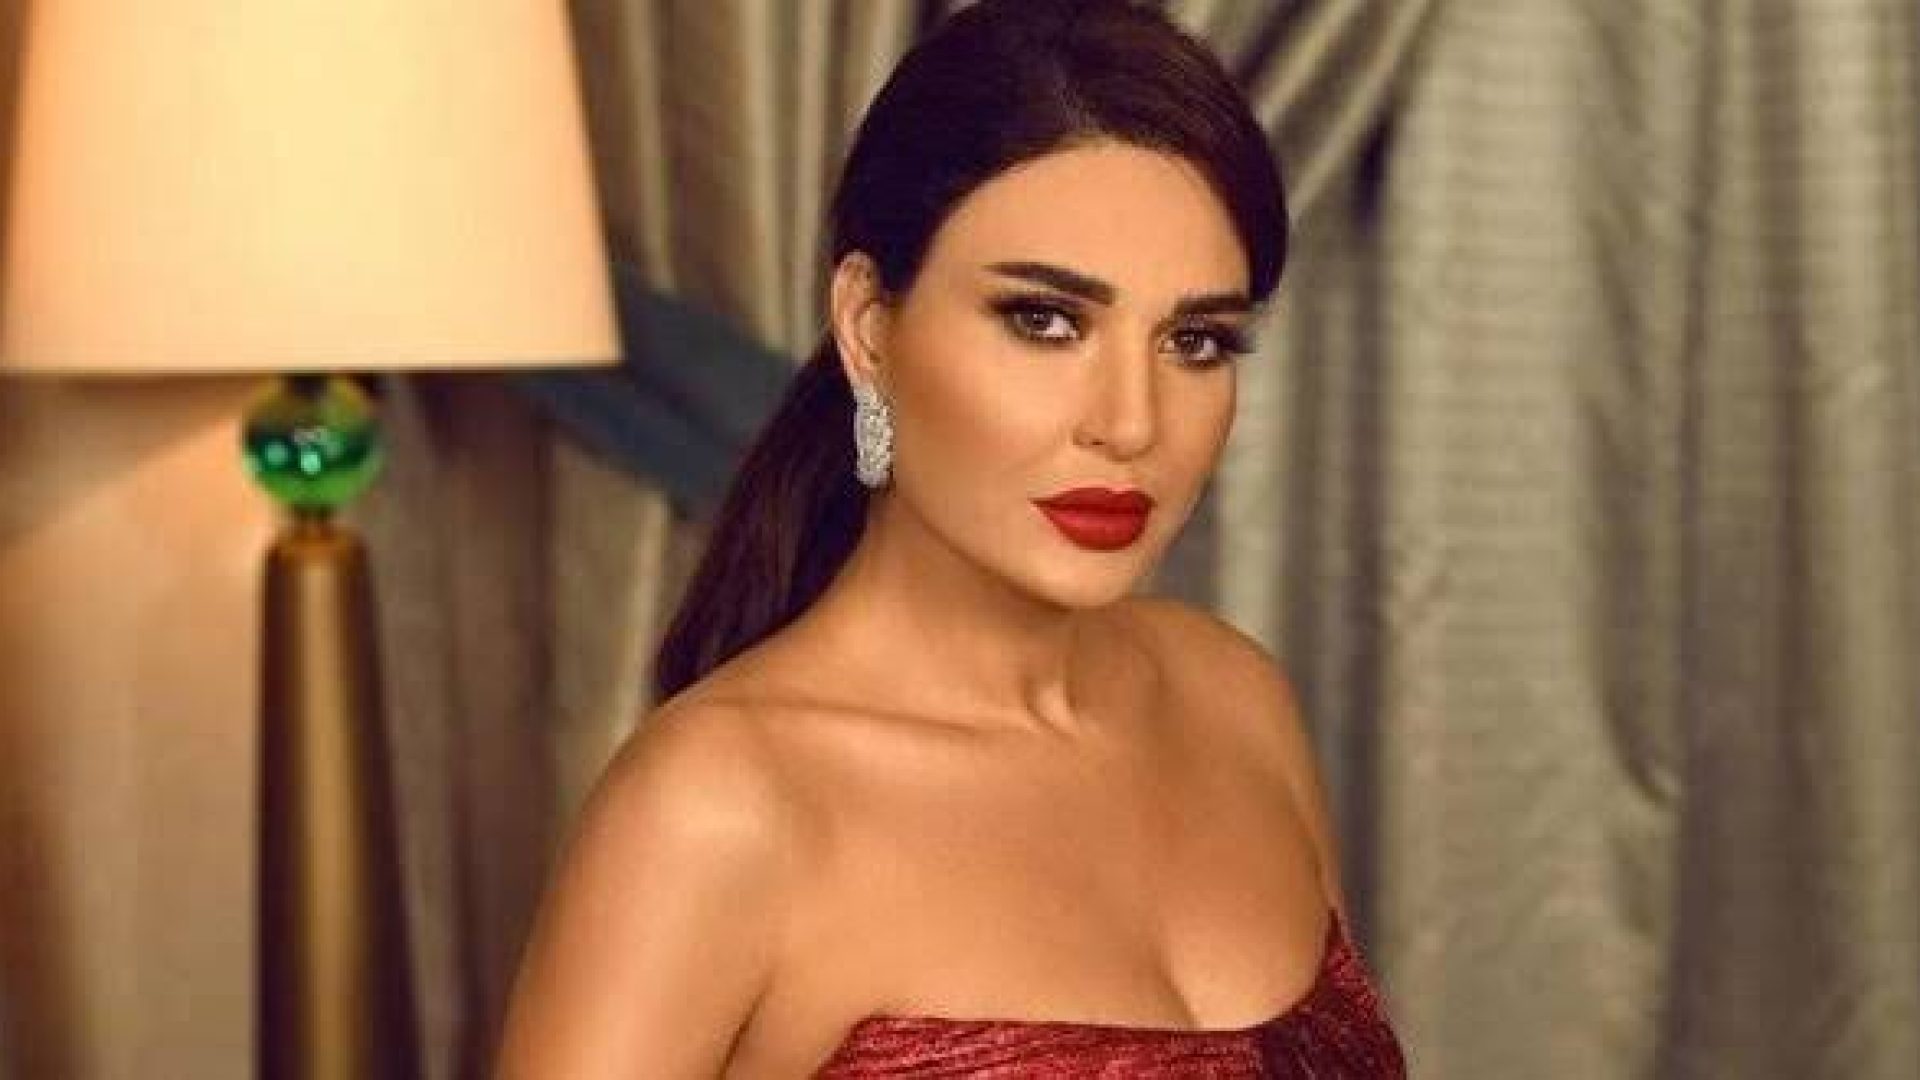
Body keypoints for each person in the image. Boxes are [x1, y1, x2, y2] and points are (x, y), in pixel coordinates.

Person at [494, 0, 1405, 1075]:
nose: (1131, 423)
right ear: (868, 327)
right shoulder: (714, 810)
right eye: (1045, 321)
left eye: (1195, 341)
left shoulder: (1237, 701)